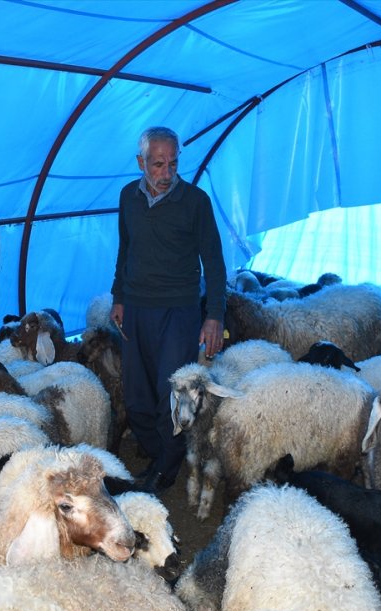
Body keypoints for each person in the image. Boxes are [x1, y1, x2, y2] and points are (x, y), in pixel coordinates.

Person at [109, 126, 227, 496]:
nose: (166, 173)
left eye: (172, 164)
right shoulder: (128, 197)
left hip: (179, 310)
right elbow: (124, 250)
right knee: (137, 397)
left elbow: (214, 261)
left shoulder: (195, 202)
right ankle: (158, 453)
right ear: (141, 161)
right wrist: (118, 297)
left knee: (170, 396)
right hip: (137, 309)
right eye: (157, 165)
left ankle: (167, 468)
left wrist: (215, 315)